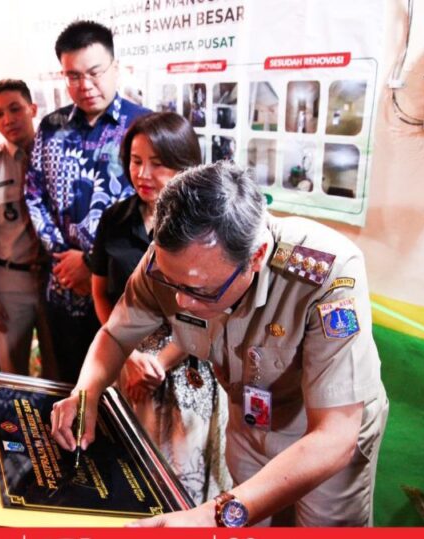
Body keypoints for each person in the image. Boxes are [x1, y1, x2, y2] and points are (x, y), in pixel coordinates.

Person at [52, 162, 389, 527]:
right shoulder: (172, 263)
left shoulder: (327, 273)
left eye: (200, 290)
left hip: (323, 437)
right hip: (249, 420)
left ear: (256, 256)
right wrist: (85, 394)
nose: (181, 301)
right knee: (249, 523)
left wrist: (208, 517)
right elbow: (116, 335)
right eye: (172, 284)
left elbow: (335, 437)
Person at [89, 112, 230, 503]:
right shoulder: (114, 218)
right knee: (127, 473)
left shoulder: (207, 227)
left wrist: (156, 364)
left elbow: (208, 312)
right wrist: (129, 354)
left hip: (187, 365)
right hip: (126, 358)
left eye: (157, 163)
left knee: (183, 481)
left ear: (185, 166)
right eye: (136, 161)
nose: (143, 174)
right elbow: (101, 294)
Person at [25, 20, 150, 383]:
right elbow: (34, 195)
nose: (86, 85)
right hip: (64, 284)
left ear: (115, 68)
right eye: (74, 76)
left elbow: (157, 205)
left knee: (122, 389)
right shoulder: (51, 127)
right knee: (69, 381)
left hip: (123, 291)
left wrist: (91, 264)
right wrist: (64, 259)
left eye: (95, 72)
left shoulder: (145, 127)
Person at [0, 80, 56, 377]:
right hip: (10, 282)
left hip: (57, 279)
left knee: (62, 368)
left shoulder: (58, 157)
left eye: (15, 109)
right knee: (12, 373)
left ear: (32, 109)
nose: (7, 119)